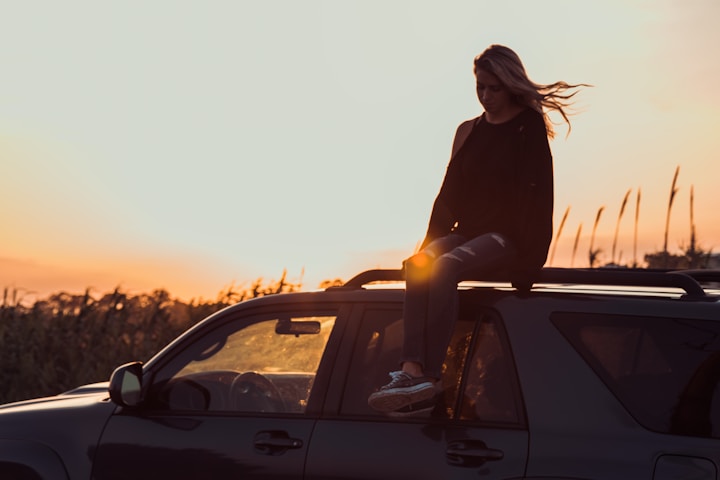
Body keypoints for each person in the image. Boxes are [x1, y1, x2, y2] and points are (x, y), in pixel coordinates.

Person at [368, 44, 587, 415]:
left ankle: (432, 376)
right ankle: (411, 371)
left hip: (505, 238)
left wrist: (530, 262)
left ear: (510, 84)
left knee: (447, 267)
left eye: (493, 88)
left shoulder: (526, 127)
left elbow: (540, 194)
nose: (486, 96)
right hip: (467, 233)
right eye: (479, 87)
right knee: (418, 264)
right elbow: (448, 194)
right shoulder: (468, 131)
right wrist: (428, 243)